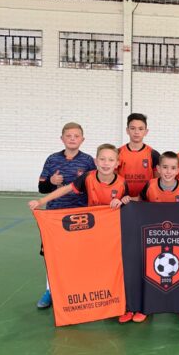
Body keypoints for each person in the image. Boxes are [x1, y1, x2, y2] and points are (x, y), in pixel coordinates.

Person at [119, 151, 179, 324]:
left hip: (177, 238)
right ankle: (144, 308)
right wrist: (127, 200)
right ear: (157, 169)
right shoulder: (150, 185)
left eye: (172, 168)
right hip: (153, 237)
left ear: (178, 170)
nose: (168, 172)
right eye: (164, 167)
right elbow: (137, 202)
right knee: (146, 270)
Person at [33, 122, 96, 309]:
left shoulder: (88, 161)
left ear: (82, 139)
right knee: (52, 255)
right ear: (62, 139)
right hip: (54, 216)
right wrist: (51, 181)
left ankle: (74, 289)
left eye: (76, 136)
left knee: (77, 254)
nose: (72, 139)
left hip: (79, 214)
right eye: (68, 136)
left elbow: (93, 185)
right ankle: (50, 290)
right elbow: (42, 188)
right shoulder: (52, 159)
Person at [29, 144, 127, 210]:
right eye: (102, 159)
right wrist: (40, 201)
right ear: (96, 161)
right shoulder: (88, 177)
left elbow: (127, 202)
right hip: (93, 222)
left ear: (117, 163)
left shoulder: (122, 183)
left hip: (112, 225)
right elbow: (65, 189)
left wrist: (121, 202)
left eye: (111, 160)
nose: (106, 163)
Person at [117, 113, 160, 198]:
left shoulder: (153, 154)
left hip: (146, 201)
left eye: (140, 129)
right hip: (123, 200)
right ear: (127, 130)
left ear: (146, 132)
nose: (136, 132)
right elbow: (113, 178)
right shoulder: (118, 153)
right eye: (133, 128)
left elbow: (158, 181)